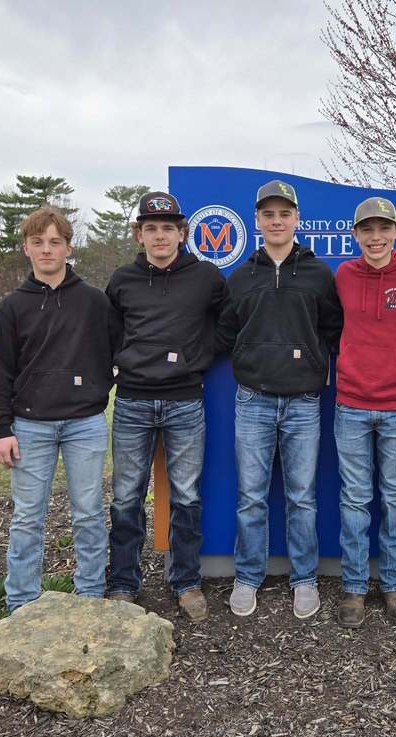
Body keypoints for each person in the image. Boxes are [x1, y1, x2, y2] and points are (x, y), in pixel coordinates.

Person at [217, 180, 343, 619]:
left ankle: (304, 578)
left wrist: (311, 363)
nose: (276, 221)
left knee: (302, 497)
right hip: (252, 400)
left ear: (296, 219)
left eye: (284, 214)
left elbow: (334, 330)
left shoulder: (318, 274)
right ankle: (248, 575)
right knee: (251, 496)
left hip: (303, 403)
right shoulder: (241, 277)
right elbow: (225, 333)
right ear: (257, 220)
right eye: (268, 214)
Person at [0, 206, 119, 613]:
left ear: (68, 248)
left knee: (88, 512)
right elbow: (1, 370)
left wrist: (95, 387)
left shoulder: (94, 301)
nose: (47, 249)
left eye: (55, 242)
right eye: (38, 242)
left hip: (84, 424)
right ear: (26, 248)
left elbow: (117, 351)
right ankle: (21, 602)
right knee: (28, 517)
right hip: (30, 426)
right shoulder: (12, 306)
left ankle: (91, 594)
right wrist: (1, 429)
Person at [105, 191, 227, 623]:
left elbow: (228, 323)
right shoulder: (122, 280)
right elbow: (109, 333)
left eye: (168, 228)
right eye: (151, 228)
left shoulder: (206, 277)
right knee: (126, 497)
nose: (160, 236)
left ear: (182, 234)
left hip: (184, 401)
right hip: (133, 400)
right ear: (139, 234)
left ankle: (186, 582)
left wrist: (198, 357)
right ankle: (123, 583)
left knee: (187, 496)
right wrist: (129, 360)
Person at [333, 198, 396, 627]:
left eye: (383, 228)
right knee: (355, 499)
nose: (375, 237)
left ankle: (394, 585)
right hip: (352, 403)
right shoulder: (343, 275)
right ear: (355, 234)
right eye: (367, 229)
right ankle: (354, 587)